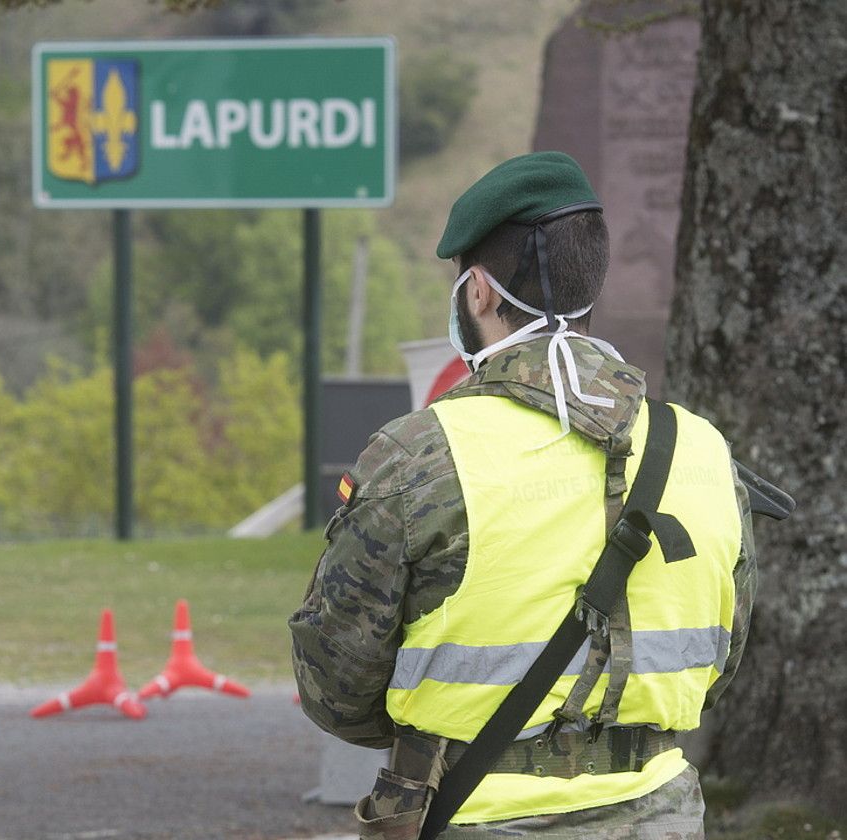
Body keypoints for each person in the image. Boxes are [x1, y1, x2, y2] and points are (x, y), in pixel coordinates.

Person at [289, 152, 755, 839]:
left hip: (470, 812)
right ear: (589, 287)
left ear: (476, 292)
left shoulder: (422, 455)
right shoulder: (703, 448)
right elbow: (723, 659)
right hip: (663, 817)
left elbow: (334, 683)